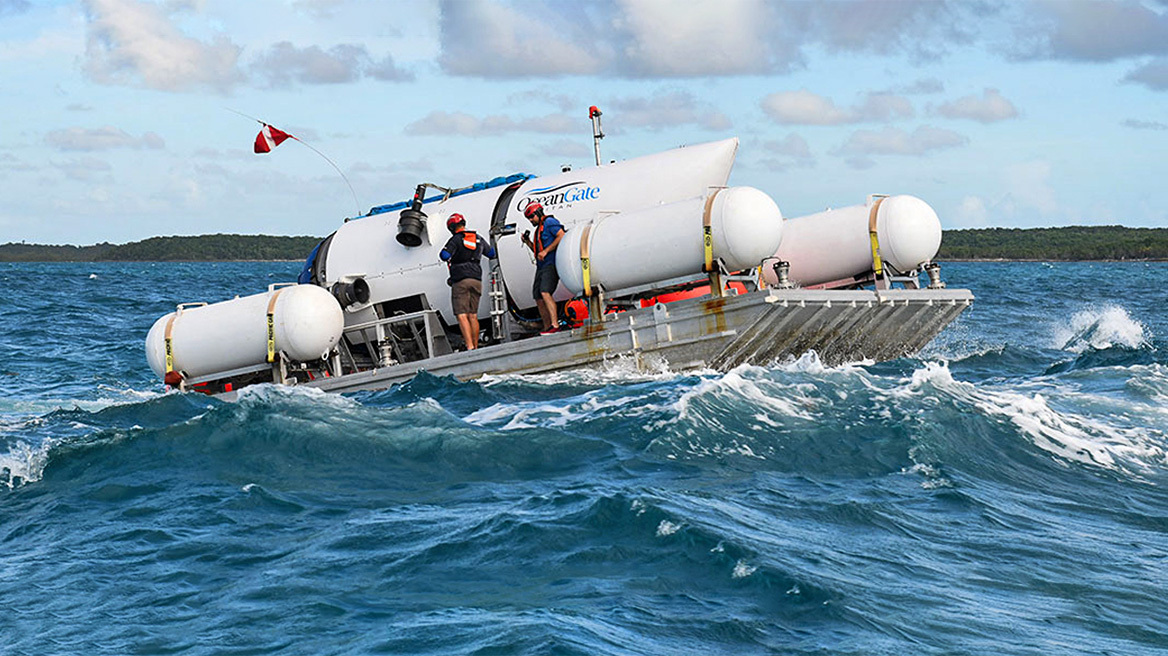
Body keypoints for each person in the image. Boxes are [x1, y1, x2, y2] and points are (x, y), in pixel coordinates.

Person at [439, 213, 495, 350]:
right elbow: (491, 253)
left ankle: (469, 347)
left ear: (452, 227)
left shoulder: (455, 239)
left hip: (461, 281)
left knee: (462, 315)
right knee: (473, 315)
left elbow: (444, 255)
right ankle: (475, 346)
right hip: (476, 279)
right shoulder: (477, 238)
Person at [520, 202, 565, 334]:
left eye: (531, 217)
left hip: (550, 264)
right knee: (538, 296)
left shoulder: (549, 222)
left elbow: (561, 235)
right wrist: (528, 242)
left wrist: (546, 251)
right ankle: (547, 326)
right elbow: (538, 252)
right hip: (541, 266)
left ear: (538, 213)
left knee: (545, 292)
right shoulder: (538, 229)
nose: (530, 220)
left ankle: (555, 324)